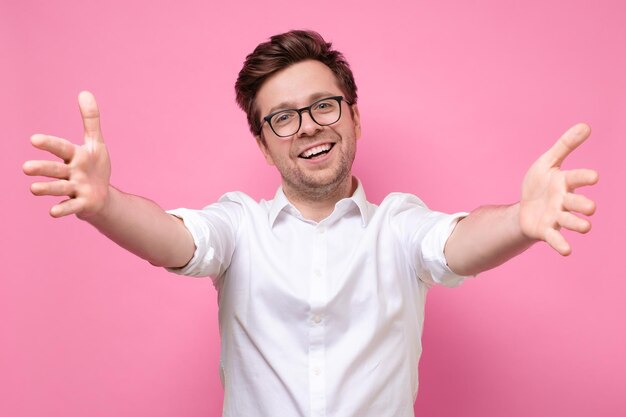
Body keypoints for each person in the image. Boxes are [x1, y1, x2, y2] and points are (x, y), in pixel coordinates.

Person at [23, 30, 598, 417]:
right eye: (282, 118)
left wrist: (521, 223)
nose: (307, 127)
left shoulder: (398, 224)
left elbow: (455, 243)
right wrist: (104, 205)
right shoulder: (239, 226)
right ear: (264, 144)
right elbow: (177, 239)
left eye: (324, 105)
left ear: (353, 116)